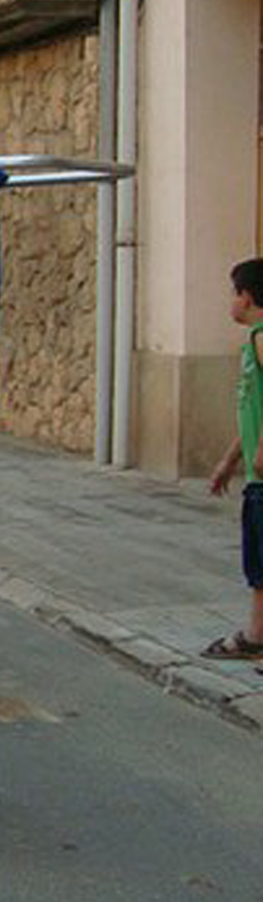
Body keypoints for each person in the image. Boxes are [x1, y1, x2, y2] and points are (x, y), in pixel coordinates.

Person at [204, 258, 263, 661]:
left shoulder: (261, 337)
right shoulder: (252, 342)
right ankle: (256, 635)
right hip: (255, 478)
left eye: (232, 292)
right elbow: (250, 409)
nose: (230, 300)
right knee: (257, 562)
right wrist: (229, 461)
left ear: (247, 297)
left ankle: (257, 636)